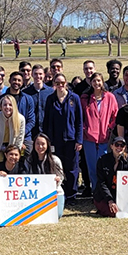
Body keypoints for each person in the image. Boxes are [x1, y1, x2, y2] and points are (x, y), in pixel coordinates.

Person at [43, 73, 83, 204]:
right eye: (57, 83)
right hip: (55, 140)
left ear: (66, 83)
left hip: (71, 140)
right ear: (54, 84)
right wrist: (48, 141)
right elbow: (47, 121)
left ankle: (72, 195)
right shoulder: (50, 99)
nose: (60, 86)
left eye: (62, 83)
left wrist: (79, 140)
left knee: (72, 168)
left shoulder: (74, 98)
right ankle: (60, 193)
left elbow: (79, 121)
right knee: (57, 167)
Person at [81, 72, 119, 189]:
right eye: (94, 81)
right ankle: (95, 191)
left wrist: (110, 127)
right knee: (92, 167)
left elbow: (115, 115)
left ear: (102, 82)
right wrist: (84, 128)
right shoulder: (85, 98)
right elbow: (80, 116)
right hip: (89, 138)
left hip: (104, 137)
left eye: (99, 80)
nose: (96, 83)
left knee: (103, 166)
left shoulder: (109, 97)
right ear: (91, 83)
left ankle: (104, 191)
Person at [0, 72, 36, 154]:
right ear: (9, 80)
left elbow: (31, 120)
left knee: (27, 153)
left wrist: (20, 135)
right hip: (3, 136)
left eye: (19, 80)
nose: (16, 82)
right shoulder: (0, 99)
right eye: (14, 80)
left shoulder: (28, 99)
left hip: (24, 136)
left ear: (22, 82)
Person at [24, 134, 66, 218]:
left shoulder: (55, 160)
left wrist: (57, 182)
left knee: (57, 215)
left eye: (43, 144)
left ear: (47, 145)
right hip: (34, 194)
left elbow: (61, 177)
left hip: (55, 192)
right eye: (37, 143)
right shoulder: (29, 160)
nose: (40, 146)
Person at [93, 137, 128, 217]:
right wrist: (110, 200)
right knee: (113, 213)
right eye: (116, 145)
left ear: (124, 147)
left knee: (126, 211)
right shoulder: (102, 160)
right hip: (104, 195)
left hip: (120, 195)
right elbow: (101, 183)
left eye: (122, 145)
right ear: (111, 146)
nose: (119, 147)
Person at [22, 64, 54, 138]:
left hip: (47, 130)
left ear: (44, 75)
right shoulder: (25, 93)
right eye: (35, 74)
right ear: (32, 75)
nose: (38, 76)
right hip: (31, 132)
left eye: (40, 74)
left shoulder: (50, 92)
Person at [0, 95, 25, 161]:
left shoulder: (21, 119)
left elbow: (20, 139)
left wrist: (15, 154)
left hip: (12, 148)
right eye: (5, 105)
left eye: (10, 105)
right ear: (1, 106)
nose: (7, 107)